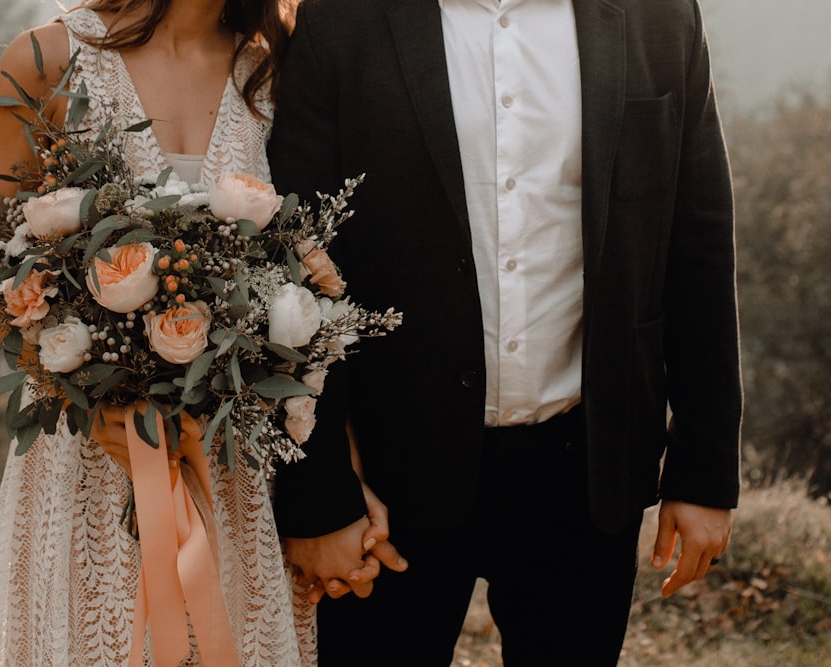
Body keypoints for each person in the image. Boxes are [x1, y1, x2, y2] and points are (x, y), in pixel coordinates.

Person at [267, 0, 743, 665]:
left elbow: (699, 243)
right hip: (391, 477)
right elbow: (290, 256)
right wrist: (318, 496)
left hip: (585, 472)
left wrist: (704, 471)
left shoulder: (660, 13)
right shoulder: (344, 16)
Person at [0, 1, 334, 665]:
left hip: (233, 463)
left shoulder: (277, 68)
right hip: (87, 458)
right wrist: (77, 390)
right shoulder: (45, 60)